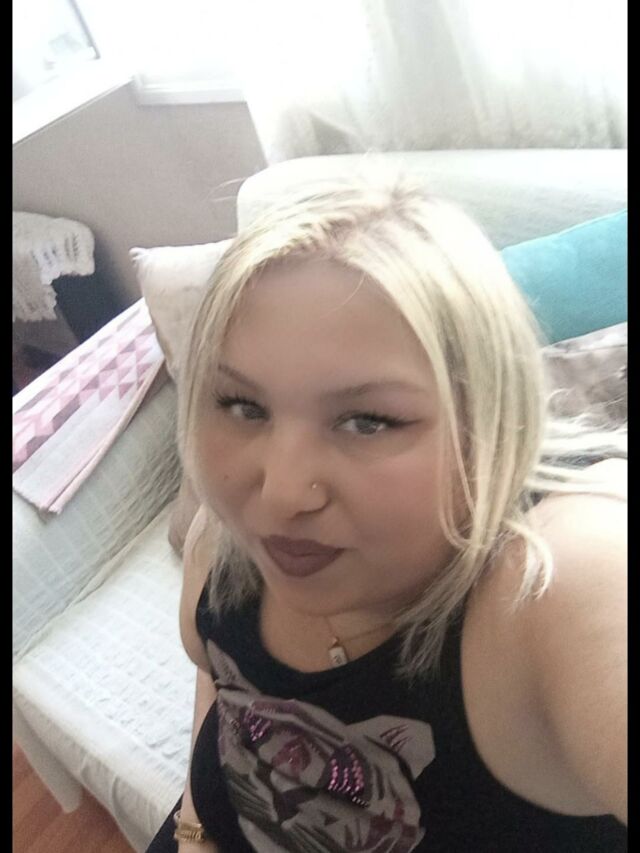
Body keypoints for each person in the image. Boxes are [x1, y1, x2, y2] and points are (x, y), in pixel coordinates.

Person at [146, 166, 627, 852]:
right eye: (243, 405)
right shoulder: (225, 538)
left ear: (489, 425)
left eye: (367, 420)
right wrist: (194, 831)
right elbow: (226, 683)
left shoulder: (556, 582)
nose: (279, 495)